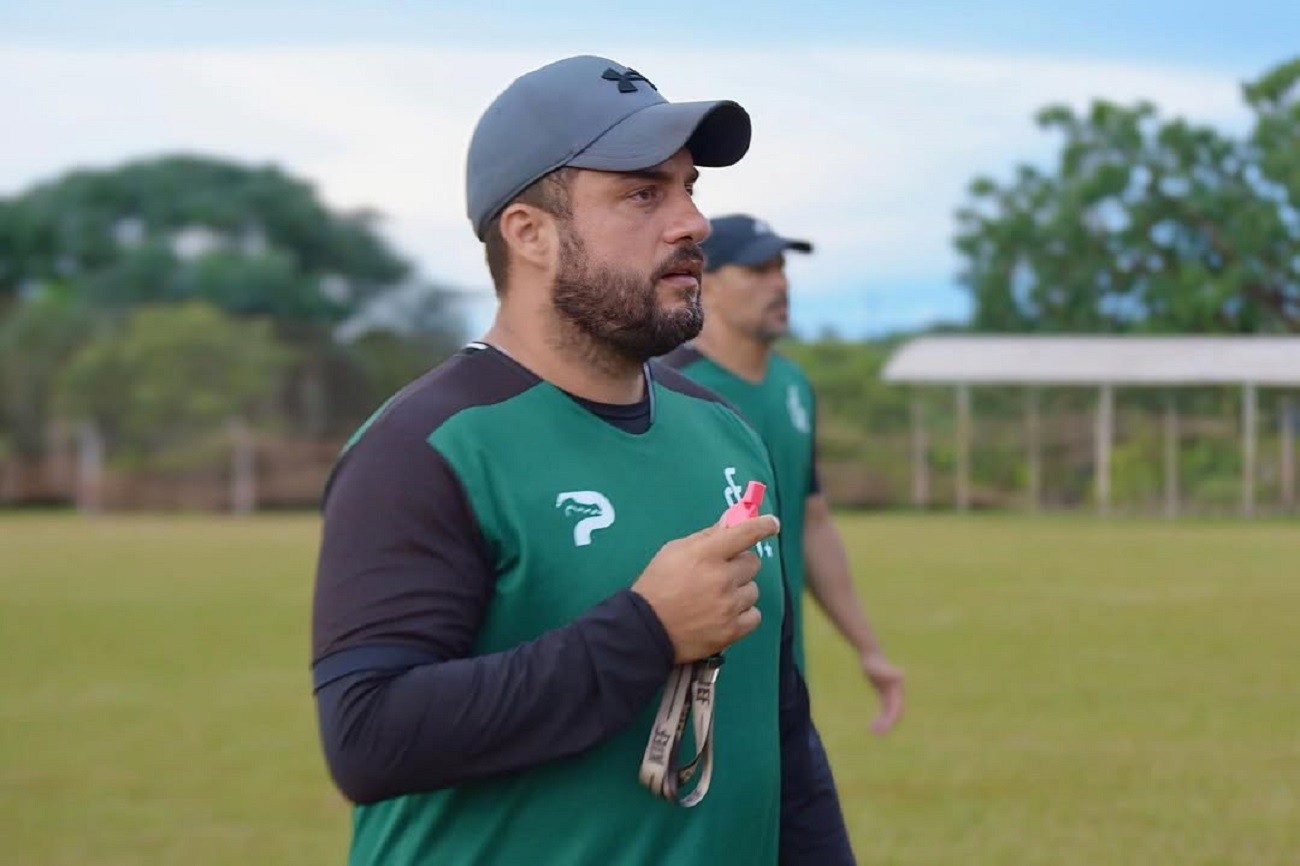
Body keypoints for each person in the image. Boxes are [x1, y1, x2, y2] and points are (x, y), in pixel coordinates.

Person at [310, 56, 855, 865]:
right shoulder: (428, 448)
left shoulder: (728, 434)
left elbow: (779, 734)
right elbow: (370, 736)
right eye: (643, 192)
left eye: (689, 187)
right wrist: (644, 630)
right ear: (529, 232)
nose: (692, 223)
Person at [660, 215, 905, 735]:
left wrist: (869, 648)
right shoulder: (663, 389)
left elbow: (810, 522)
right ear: (707, 281)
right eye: (759, 269)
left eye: (782, 268)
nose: (781, 282)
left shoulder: (795, 385)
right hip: (687, 683)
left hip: (781, 677)